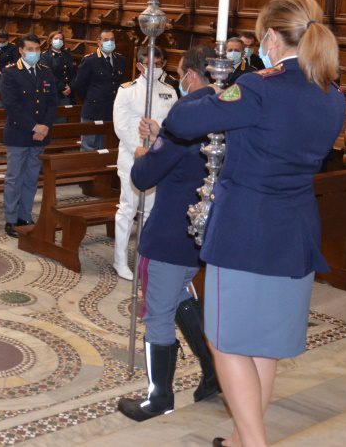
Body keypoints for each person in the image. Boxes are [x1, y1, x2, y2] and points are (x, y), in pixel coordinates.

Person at [163, 0, 345, 447]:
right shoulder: (331, 95)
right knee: (262, 344)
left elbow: (182, 124)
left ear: (269, 37)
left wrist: (210, 87)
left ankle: (255, 443)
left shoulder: (261, 87)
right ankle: (245, 438)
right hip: (295, 229)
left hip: (245, 229)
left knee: (224, 341)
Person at [116, 45, 220, 422]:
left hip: (171, 230)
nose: (179, 81)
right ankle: (215, 373)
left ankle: (158, 398)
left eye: (179, 74)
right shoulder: (229, 109)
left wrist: (148, 152)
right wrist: (164, 137)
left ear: (191, 76)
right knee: (180, 294)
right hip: (204, 231)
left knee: (158, 314)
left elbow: (144, 177)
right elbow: (195, 156)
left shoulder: (187, 111)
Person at [111, 46, 178, 280]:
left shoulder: (169, 91)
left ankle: (142, 259)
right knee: (128, 209)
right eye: (150, 64)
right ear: (140, 65)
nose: (155, 68)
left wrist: (159, 149)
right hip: (132, 157)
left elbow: (171, 125)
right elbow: (121, 125)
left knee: (149, 211)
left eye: (159, 64)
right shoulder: (127, 91)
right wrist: (137, 148)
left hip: (157, 158)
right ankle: (120, 261)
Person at [0, 34, 57, 238]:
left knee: (31, 177)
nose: (35, 52)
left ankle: (25, 215)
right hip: (19, 133)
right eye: (30, 49)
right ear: (21, 51)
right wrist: (34, 126)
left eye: (37, 49)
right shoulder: (11, 73)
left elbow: (52, 102)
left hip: (40, 135)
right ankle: (11, 219)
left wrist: (45, 126)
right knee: (14, 177)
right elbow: (11, 105)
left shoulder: (45, 71)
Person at [72, 28, 125, 150]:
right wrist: (92, 97)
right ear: (99, 42)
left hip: (111, 111)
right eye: (106, 40)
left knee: (104, 149)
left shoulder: (120, 59)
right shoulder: (90, 60)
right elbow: (78, 85)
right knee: (89, 147)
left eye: (112, 40)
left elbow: (119, 84)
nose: (110, 42)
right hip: (93, 110)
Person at [41, 30, 76, 107]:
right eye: (56, 38)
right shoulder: (45, 56)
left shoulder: (67, 55)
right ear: (50, 41)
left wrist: (70, 87)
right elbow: (48, 75)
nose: (58, 41)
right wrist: (63, 88)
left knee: (66, 116)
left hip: (68, 93)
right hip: (54, 92)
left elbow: (73, 73)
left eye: (60, 39)